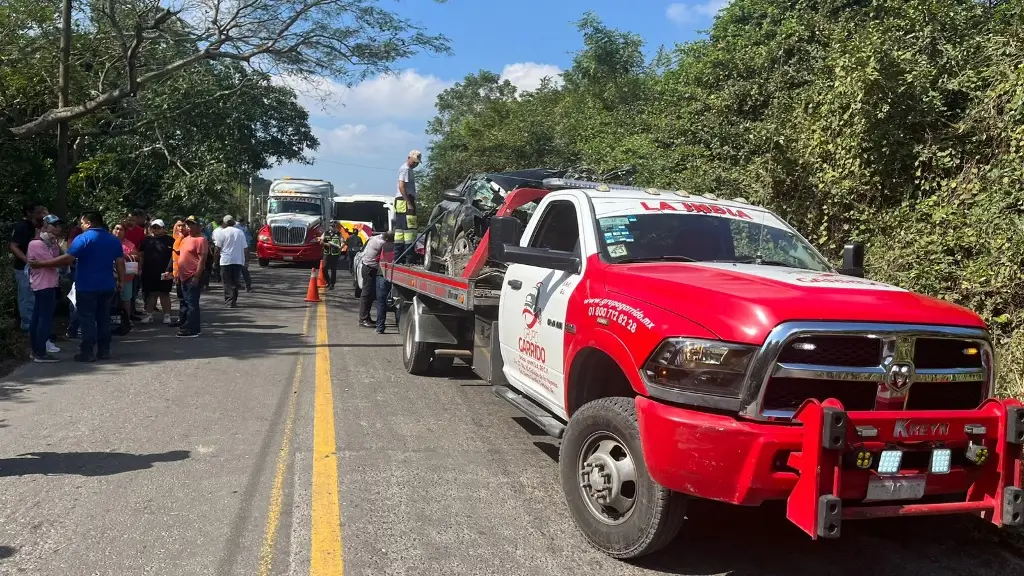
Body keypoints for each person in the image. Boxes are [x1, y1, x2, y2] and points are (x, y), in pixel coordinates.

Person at [31, 211, 124, 362]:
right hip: (107, 285)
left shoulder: (83, 238)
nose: (80, 226)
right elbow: (120, 262)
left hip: (87, 286)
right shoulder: (113, 240)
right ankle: (103, 350)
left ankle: (87, 352)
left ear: (89, 223)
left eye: (82, 223)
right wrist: (121, 281)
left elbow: (68, 258)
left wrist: (41, 264)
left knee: (87, 318)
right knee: (103, 318)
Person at [27, 215, 64, 362]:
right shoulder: (36, 244)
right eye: (54, 225)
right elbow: (53, 262)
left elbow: (55, 258)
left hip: (49, 284)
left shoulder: (49, 243)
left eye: (59, 225)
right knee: (43, 319)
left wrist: (53, 244)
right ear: (44, 226)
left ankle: (36, 350)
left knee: (38, 318)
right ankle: (40, 352)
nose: (57, 228)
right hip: (43, 285)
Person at [9, 202, 46, 333]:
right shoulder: (22, 227)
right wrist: (27, 260)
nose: (41, 215)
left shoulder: (35, 226)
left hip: (37, 268)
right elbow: (13, 246)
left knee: (35, 297)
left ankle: (35, 325)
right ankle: (27, 326)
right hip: (23, 268)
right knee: (26, 297)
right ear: (29, 213)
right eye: (38, 212)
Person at [139, 219, 176, 324]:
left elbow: (174, 256)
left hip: (166, 271)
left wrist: (170, 269)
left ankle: (167, 315)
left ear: (163, 228)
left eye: (158, 227)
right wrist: (140, 268)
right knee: (151, 294)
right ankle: (149, 315)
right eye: (154, 227)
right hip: (149, 271)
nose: (156, 229)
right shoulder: (146, 241)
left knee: (164, 293)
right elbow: (141, 256)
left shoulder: (170, 240)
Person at [176, 218, 208, 337]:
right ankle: (188, 324)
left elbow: (202, 259)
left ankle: (193, 329)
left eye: (192, 225)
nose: (188, 227)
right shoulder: (185, 239)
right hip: (183, 276)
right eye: (187, 225)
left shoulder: (201, 240)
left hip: (192, 276)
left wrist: (197, 276)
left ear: (199, 227)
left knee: (192, 303)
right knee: (186, 302)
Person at [357, 231, 393, 328]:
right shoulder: (380, 243)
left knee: (371, 294)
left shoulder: (376, 237)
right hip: (369, 269)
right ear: (386, 239)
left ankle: (366, 318)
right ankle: (363, 319)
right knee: (367, 294)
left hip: (370, 268)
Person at [212, 215, 248, 307]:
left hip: (225, 261)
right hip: (237, 261)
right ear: (233, 222)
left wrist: (215, 262)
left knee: (227, 282)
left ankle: (229, 301)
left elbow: (217, 249)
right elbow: (245, 248)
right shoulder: (240, 232)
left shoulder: (222, 233)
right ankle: (233, 300)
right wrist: (246, 261)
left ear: (224, 223)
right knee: (235, 281)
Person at [111, 222, 141, 326]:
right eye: (116, 229)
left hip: (126, 276)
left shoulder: (129, 244)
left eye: (121, 229)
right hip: (109, 276)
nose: (118, 231)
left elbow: (136, 256)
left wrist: (124, 255)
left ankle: (126, 320)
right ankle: (110, 320)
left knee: (126, 298)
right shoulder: (107, 242)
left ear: (125, 232)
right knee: (110, 299)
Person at [394, 150, 421, 263]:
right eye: (414, 161)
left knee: (400, 231)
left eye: (417, 162)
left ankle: (398, 258)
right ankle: (408, 259)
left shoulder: (407, 169)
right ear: (408, 158)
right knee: (409, 230)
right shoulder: (405, 169)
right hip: (405, 201)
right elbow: (401, 186)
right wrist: (409, 202)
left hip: (401, 202)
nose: (415, 164)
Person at [319, 225, 343, 290]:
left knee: (333, 270)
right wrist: (326, 244)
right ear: (329, 227)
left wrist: (340, 248)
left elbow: (342, 242)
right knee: (324, 268)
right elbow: (321, 242)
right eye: (331, 226)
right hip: (326, 253)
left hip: (335, 255)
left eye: (334, 226)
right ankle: (328, 281)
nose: (332, 227)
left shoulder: (339, 234)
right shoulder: (326, 233)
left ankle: (332, 284)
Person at [234, 218, 253, 292]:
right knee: (244, 269)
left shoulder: (233, 228)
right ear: (242, 222)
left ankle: (236, 285)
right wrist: (247, 257)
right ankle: (248, 286)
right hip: (242, 251)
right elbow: (248, 241)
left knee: (235, 270)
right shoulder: (243, 229)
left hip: (234, 252)